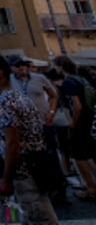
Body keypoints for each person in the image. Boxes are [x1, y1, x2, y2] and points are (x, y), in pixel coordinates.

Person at [0, 53, 60, 224]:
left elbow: (12, 143)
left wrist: (6, 178)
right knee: (40, 211)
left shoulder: (5, 101)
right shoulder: (18, 96)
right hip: (36, 163)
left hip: (23, 169)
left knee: (39, 215)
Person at [13, 59, 66, 205]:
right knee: (32, 157)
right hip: (24, 126)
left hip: (43, 122)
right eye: (18, 66)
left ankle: (59, 189)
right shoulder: (10, 81)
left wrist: (52, 111)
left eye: (23, 66)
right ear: (13, 69)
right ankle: (42, 188)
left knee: (51, 154)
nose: (21, 69)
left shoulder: (39, 78)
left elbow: (53, 95)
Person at [53, 56, 96, 199]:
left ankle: (91, 187)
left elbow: (77, 105)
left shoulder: (68, 82)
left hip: (80, 121)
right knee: (90, 152)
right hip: (89, 119)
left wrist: (73, 122)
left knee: (80, 156)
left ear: (60, 67)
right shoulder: (81, 79)